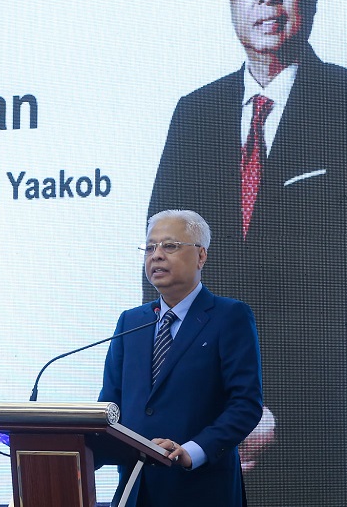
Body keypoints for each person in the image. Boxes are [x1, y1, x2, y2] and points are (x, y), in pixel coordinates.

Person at [146, 0, 347, 506]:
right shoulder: (194, 114)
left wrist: (260, 410)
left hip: (311, 442)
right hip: (198, 446)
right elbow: (160, 269)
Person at [100, 209, 263, 507]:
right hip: (135, 491)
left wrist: (192, 450)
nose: (156, 255)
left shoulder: (229, 316)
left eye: (170, 246)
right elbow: (110, 405)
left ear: (201, 256)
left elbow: (245, 404)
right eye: (150, 248)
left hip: (202, 490)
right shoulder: (131, 322)